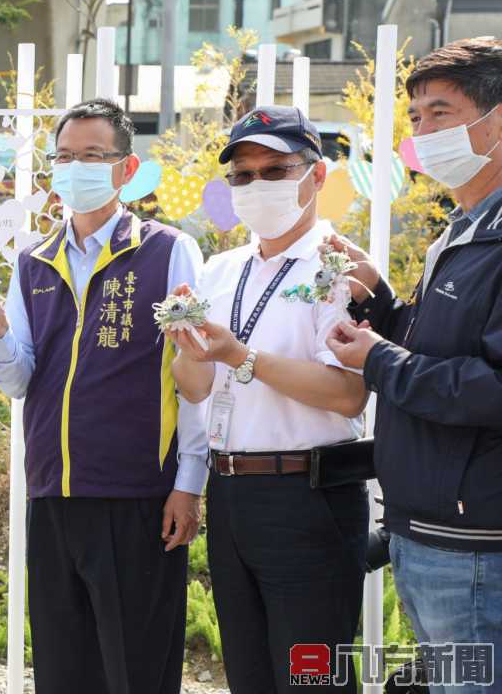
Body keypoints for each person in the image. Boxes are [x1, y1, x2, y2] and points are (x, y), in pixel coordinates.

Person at [0, 99, 207, 694]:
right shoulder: (32, 263)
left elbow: (194, 375)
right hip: (52, 496)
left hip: (137, 496)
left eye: (93, 157)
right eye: (65, 157)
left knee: (136, 671)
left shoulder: (168, 250)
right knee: (65, 671)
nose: (77, 169)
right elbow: (20, 379)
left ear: (126, 168)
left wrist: (190, 483)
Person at [169, 105, 369, 693]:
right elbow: (198, 388)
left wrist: (240, 357)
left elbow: (349, 394)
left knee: (312, 678)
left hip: (308, 495)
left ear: (318, 176)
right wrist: (188, 349)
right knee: (250, 675)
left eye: (276, 170)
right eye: (244, 176)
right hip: (233, 495)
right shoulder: (221, 269)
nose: (258, 186)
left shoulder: (341, 269)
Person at [326, 38, 502, 694]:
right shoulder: (460, 232)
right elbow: (445, 355)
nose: (421, 131)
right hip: (430, 533)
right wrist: (385, 306)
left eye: (440, 113)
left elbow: (491, 387)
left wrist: (381, 361)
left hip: (478, 547)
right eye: (416, 117)